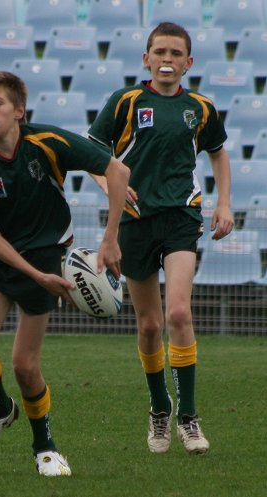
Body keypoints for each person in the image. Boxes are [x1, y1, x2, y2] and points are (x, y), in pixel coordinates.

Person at [0, 71, 130, 476]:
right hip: (1, 265)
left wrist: (110, 239)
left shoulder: (46, 142)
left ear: (19, 109)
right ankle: (0, 410)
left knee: (25, 366)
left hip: (49, 258)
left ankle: (45, 448)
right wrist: (36, 276)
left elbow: (117, 172)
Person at [87, 22, 234, 455]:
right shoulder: (126, 101)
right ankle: (159, 408)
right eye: (160, 52)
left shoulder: (201, 107)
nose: (167, 60)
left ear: (188, 63)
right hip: (134, 220)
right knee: (150, 324)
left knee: (179, 314)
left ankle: (189, 416)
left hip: (181, 216)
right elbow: (94, 153)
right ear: (146, 58)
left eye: (176, 54)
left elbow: (219, 153)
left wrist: (224, 204)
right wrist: (109, 185)